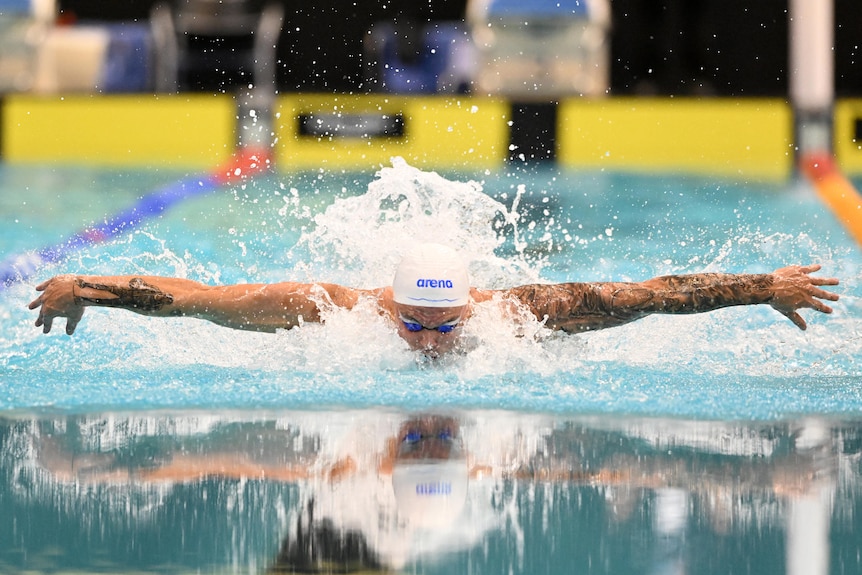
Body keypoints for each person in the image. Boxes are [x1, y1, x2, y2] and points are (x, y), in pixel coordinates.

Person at [28, 242, 840, 357]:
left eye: (441, 324)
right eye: (411, 321)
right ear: (388, 302)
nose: (425, 340)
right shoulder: (337, 309)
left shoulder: (514, 315)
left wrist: (762, 286)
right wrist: (88, 288)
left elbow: (651, 295)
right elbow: (199, 297)